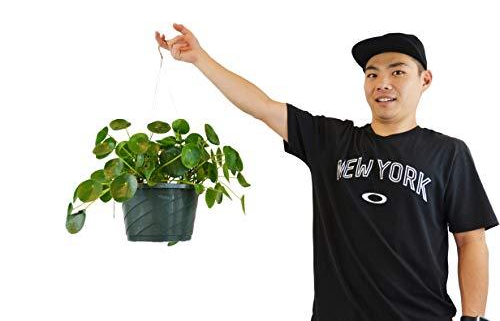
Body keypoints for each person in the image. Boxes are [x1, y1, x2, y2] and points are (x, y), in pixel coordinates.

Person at [155, 25, 498, 321]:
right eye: (372, 73)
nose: (382, 82)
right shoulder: (332, 142)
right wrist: (201, 59)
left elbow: (471, 241)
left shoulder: (448, 153)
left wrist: (474, 317)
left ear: (424, 80)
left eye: (397, 72)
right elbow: (262, 107)